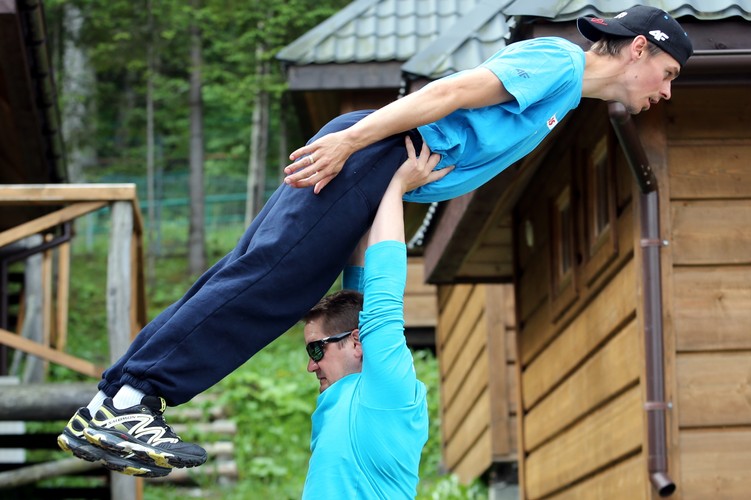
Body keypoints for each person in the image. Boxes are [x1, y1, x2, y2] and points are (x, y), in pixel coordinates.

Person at [57, 5, 693, 477]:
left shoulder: (561, 98)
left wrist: (361, 286)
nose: (664, 92)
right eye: (666, 74)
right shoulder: (556, 63)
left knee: (255, 277)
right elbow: (445, 94)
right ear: (636, 49)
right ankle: (132, 398)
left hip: (375, 169)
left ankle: (117, 401)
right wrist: (349, 143)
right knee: (266, 286)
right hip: (367, 156)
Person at [301, 137, 446, 498]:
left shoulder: (387, 392)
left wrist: (396, 187)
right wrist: (366, 187)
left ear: (356, 342)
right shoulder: (342, 396)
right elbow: (362, 289)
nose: (310, 366)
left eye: (316, 351)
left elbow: (382, 301)